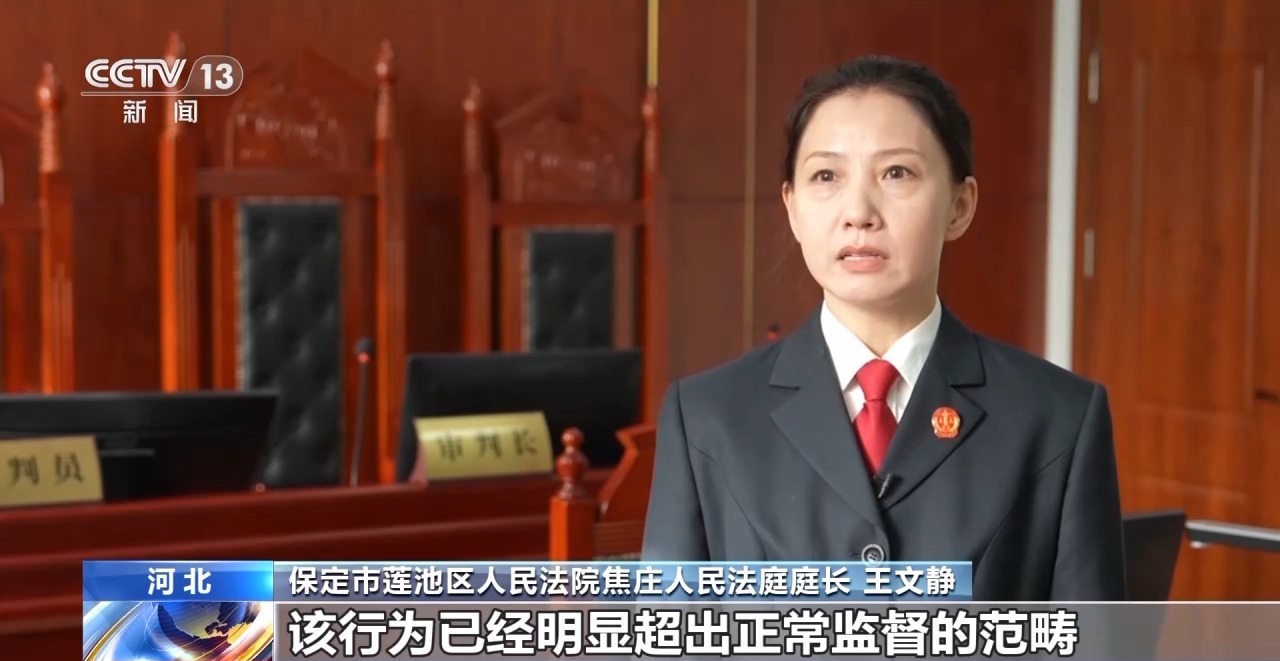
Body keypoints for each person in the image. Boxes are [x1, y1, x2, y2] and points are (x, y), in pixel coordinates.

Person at [641, 55, 1126, 601]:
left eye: (897, 173)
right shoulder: (707, 418)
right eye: (826, 176)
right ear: (793, 209)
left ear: (959, 206)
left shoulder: (1058, 418)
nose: (859, 212)